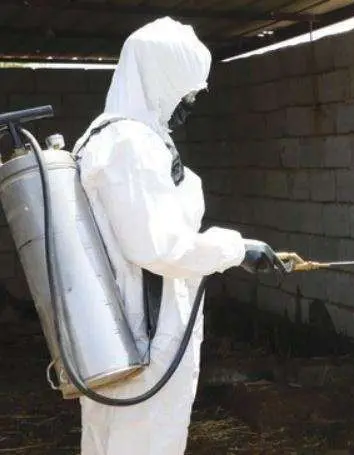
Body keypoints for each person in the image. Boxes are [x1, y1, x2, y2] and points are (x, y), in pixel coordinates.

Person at [71, 16, 286, 455]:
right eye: (185, 91)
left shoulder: (109, 138)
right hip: (144, 342)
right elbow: (159, 246)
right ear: (159, 79)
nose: (188, 104)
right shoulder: (131, 144)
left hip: (123, 340)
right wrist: (236, 248)